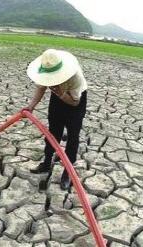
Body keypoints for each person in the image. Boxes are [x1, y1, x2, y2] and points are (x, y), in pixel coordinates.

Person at [24, 49, 88, 190]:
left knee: (72, 136)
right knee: (53, 133)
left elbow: (74, 102)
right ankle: (47, 163)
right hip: (58, 99)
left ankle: (68, 172)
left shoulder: (75, 77)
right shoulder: (45, 71)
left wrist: (61, 94)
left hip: (74, 100)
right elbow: (41, 89)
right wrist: (31, 106)